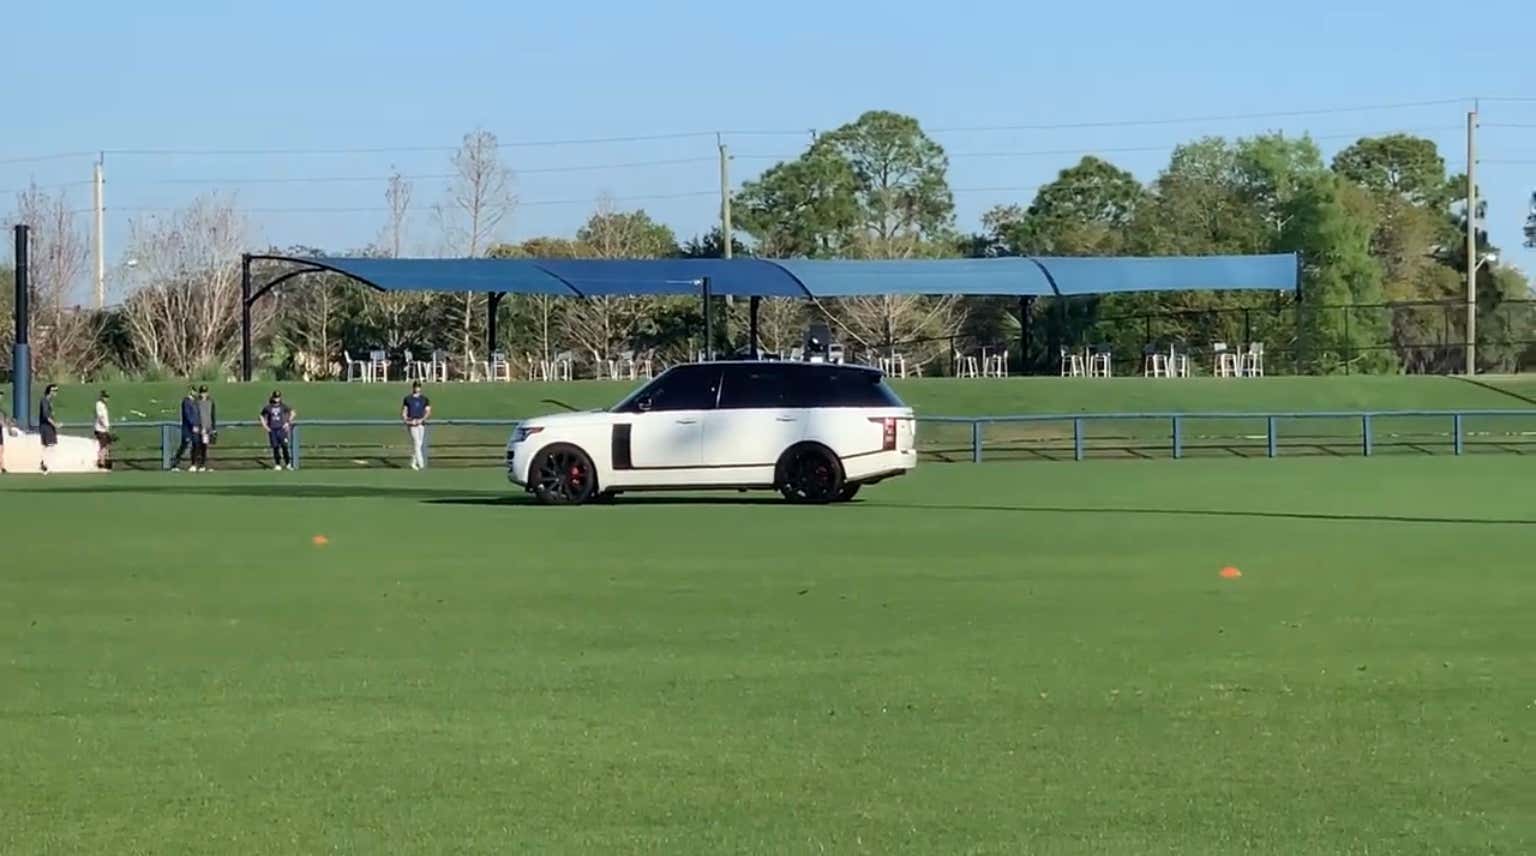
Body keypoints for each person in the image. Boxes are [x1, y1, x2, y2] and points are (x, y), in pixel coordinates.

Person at [259, 390, 296, 471]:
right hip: (273, 430)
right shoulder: (268, 407)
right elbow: (261, 415)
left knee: (284, 447)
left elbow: (293, 412)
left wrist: (287, 422)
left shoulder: (283, 406)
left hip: (281, 429)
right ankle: (277, 464)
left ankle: (288, 464)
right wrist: (265, 426)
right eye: (275, 397)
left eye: (278, 397)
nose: (277, 399)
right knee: (275, 448)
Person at [401, 382, 432, 470]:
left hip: (421, 423)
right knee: (417, 442)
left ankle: (412, 463)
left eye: (418, 387)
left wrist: (422, 419)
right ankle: (421, 464)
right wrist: (407, 420)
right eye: (415, 387)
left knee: (419, 444)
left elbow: (428, 411)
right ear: (413, 388)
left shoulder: (424, 399)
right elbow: (404, 411)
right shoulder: (408, 399)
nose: (417, 389)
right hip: (412, 423)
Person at [171, 386, 199, 470]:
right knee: (184, 445)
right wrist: (193, 425)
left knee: (195, 445)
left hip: (195, 428)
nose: (196, 393)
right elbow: (187, 415)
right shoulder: (186, 402)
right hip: (187, 428)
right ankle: (174, 464)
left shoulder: (195, 402)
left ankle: (193, 464)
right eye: (194, 391)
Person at [192, 384, 217, 472]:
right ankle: (194, 464)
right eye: (202, 392)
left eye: (205, 392)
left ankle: (202, 464)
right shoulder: (196, 402)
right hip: (199, 427)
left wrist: (213, 428)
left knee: (204, 446)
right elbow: (195, 415)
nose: (203, 394)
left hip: (207, 428)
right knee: (196, 446)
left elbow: (213, 415)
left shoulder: (211, 402)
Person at [38, 384, 59, 474]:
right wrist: (55, 424)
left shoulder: (49, 401)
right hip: (46, 426)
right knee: (49, 445)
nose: (56, 392)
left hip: (49, 426)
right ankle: (44, 465)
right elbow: (46, 416)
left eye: (56, 390)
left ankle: (45, 464)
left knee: (49, 445)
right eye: (54, 390)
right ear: (49, 391)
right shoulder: (45, 401)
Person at [94, 390, 114, 470]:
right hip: (101, 429)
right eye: (105, 397)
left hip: (104, 428)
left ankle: (104, 461)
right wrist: (105, 426)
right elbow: (100, 417)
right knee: (103, 446)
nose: (107, 399)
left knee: (106, 446)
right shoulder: (99, 404)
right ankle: (101, 463)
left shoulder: (103, 405)